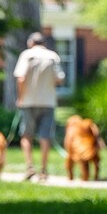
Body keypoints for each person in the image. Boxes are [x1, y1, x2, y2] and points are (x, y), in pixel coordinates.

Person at [11, 31, 66, 180]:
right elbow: (60, 79)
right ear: (44, 43)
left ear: (31, 43)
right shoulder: (52, 56)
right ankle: (44, 170)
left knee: (26, 135)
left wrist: (20, 98)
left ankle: (30, 167)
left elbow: (20, 78)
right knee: (45, 136)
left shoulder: (26, 55)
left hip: (28, 101)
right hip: (48, 101)